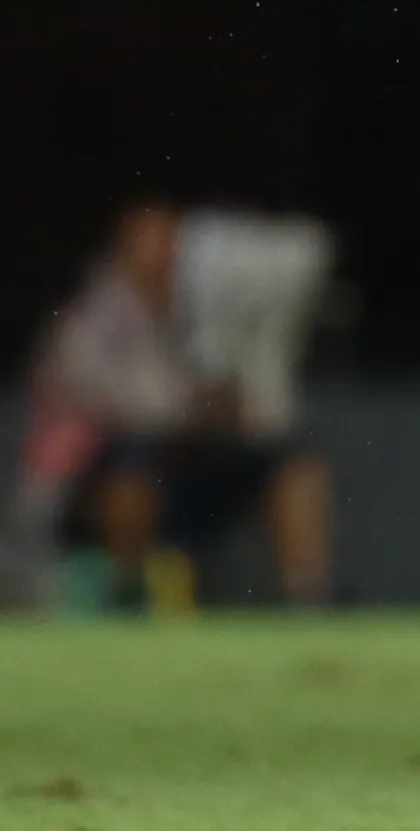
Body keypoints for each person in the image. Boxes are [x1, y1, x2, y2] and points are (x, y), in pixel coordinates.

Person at [8, 203, 334, 609]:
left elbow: (266, 410)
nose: (163, 257)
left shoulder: (218, 312)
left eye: (173, 246)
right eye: (148, 246)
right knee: (133, 460)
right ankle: (127, 590)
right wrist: (199, 402)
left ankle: (308, 599)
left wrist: (234, 402)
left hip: (187, 469)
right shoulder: (86, 322)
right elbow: (127, 414)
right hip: (90, 486)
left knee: (293, 462)